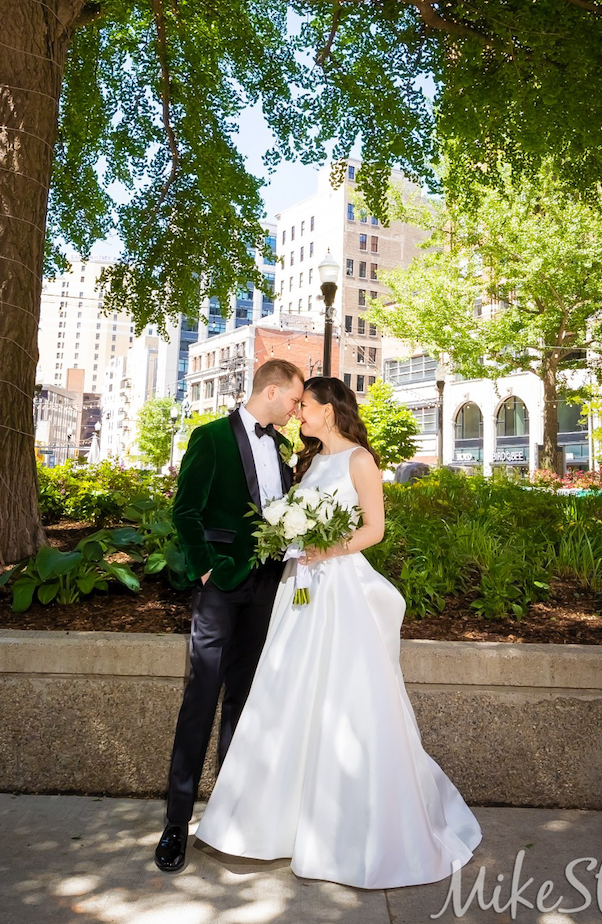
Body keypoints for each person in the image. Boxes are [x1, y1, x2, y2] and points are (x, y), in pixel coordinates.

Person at [194, 376, 482, 889]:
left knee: (344, 698)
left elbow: (374, 529)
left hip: (338, 587)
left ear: (329, 411)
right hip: (299, 587)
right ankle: (271, 824)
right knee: (286, 695)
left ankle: (349, 832)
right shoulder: (307, 463)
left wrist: (326, 548)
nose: (298, 413)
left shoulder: (359, 461)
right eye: (297, 404)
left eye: (305, 406)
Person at [154, 359, 304, 873]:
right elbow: (185, 512)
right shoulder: (211, 436)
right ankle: (176, 822)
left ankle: (230, 812)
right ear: (271, 391)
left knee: (244, 700)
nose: (296, 409)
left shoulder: (282, 446)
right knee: (201, 697)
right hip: (221, 587)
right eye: (294, 399)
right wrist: (206, 572)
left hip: (267, 586)